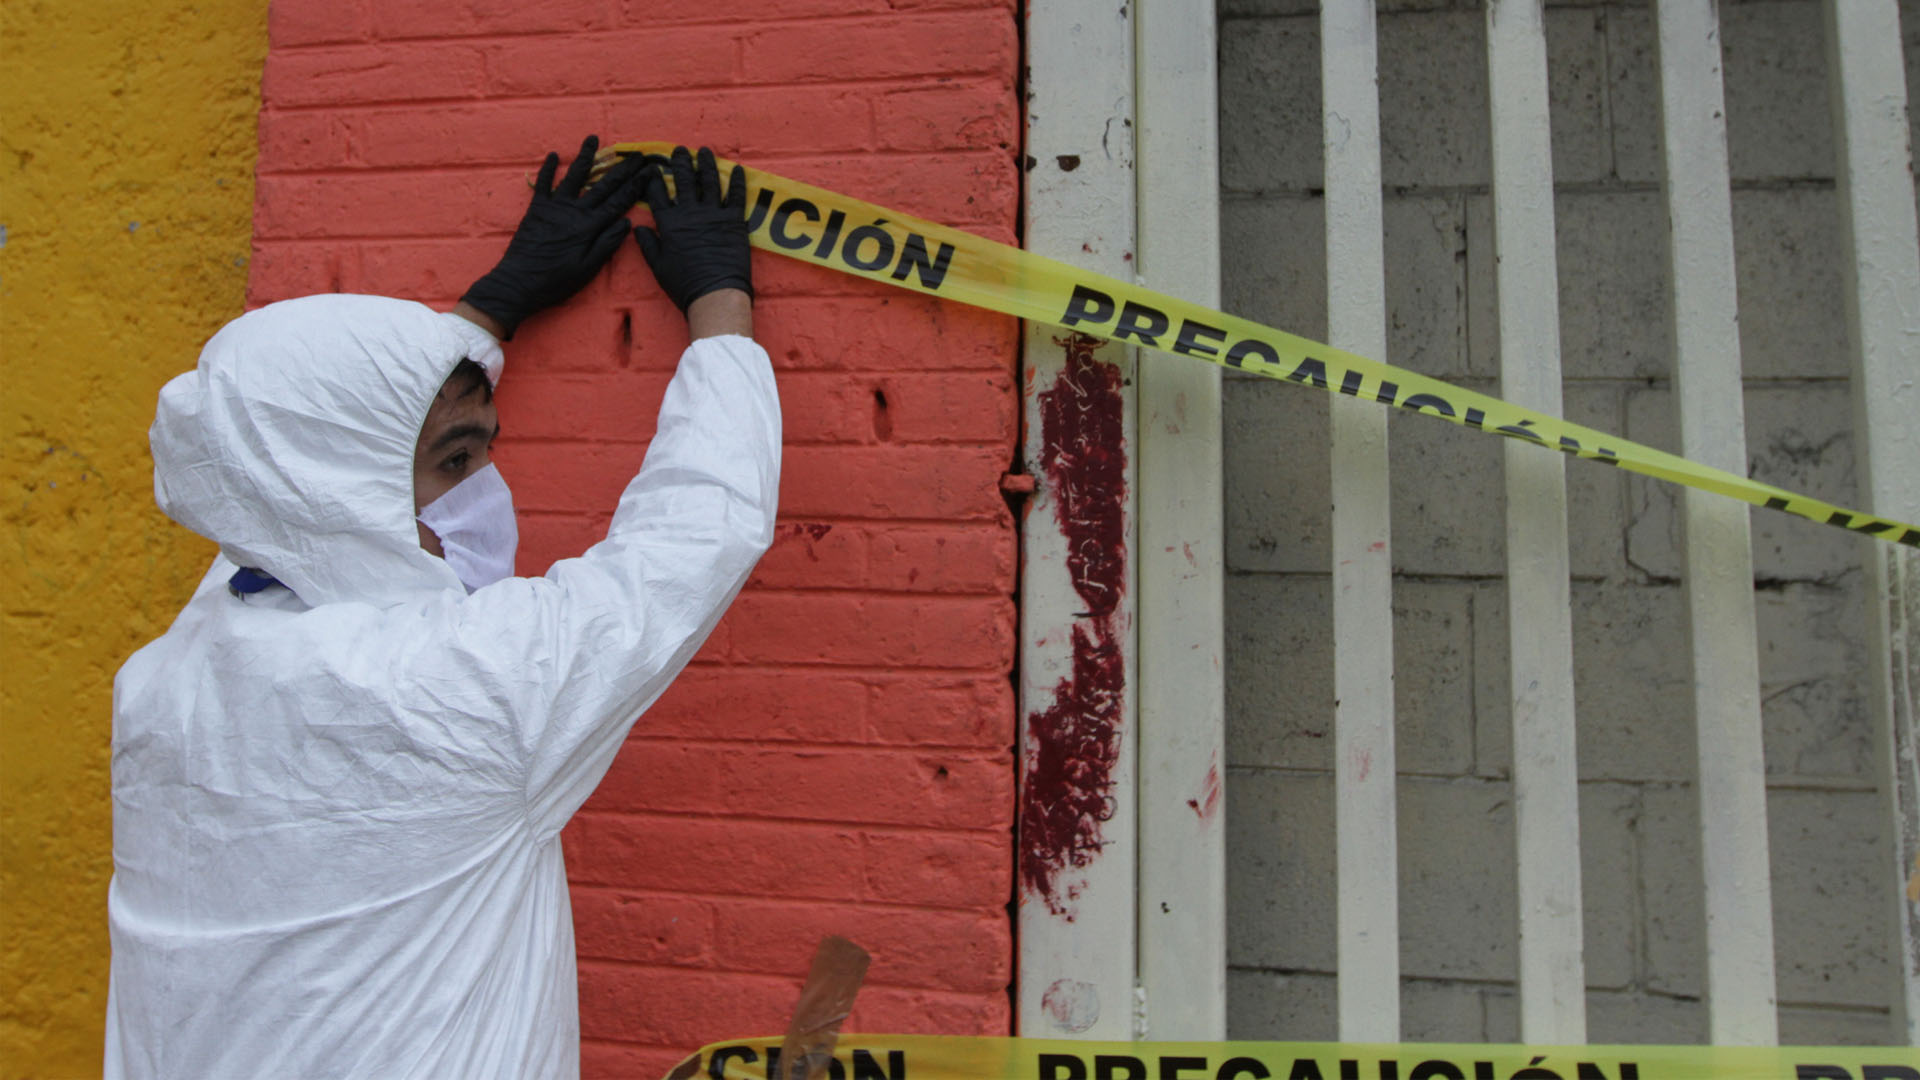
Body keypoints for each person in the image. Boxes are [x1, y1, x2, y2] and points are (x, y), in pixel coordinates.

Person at [104, 138, 779, 1080]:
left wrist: (488, 312)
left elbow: (282, 489)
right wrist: (721, 317)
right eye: (457, 462)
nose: (483, 490)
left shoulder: (166, 682)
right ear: (339, 492)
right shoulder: (459, 686)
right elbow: (694, 537)